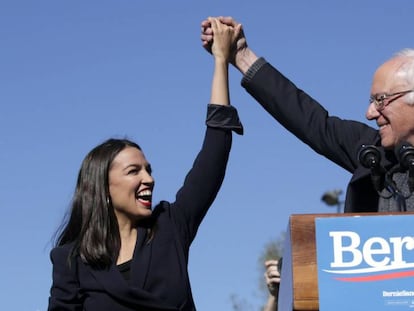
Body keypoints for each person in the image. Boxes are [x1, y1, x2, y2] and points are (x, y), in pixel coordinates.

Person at [47, 18, 243, 311]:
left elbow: (214, 153)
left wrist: (220, 61)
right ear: (103, 187)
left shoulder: (171, 227)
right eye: (133, 171)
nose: (149, 179)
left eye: (149, 170)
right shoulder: (71, 261)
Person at [201, 16, 414, 213]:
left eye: (381, 100)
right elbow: (309, 119)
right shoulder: (372, 153)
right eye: (371, 102)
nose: (370, 113)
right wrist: (241, 55)